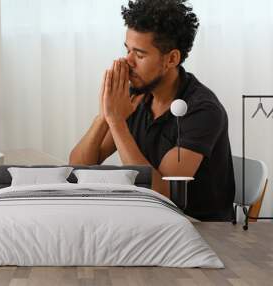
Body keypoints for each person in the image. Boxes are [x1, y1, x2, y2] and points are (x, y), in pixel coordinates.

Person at [69, 0, 235, 221]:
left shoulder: (203, 110)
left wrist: (117, 122)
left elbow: (163, 195)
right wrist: (104, 115)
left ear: (172, 58)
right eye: (127, 50)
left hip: (198, 228)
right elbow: (77, 167)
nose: (127, 62)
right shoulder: (136, 96)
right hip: (150, 217)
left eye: (139, 55)